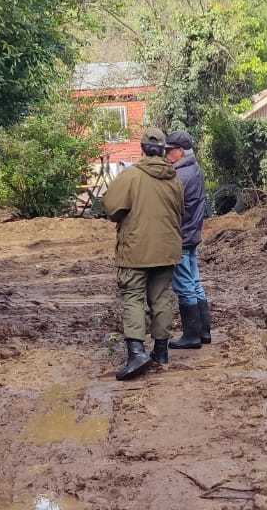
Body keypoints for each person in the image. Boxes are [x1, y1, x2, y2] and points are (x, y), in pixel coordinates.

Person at [102, 127, 184, 380]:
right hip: (167, 248)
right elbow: (181, 211)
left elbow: (111, 207)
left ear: (142, 149)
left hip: (136, 250)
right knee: (161, 298)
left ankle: (136, 351)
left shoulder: (131, 177)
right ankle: (161, 351)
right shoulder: (175, 179)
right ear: (163, 150)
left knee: (133, 298)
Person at [165, 131, 211, 349]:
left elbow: (172, 208)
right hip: (192, 234)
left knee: (184, 285)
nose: (166, 155)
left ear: (180, 151)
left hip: (182, 236)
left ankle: (191, 335)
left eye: (169, 151)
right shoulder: (195, 170)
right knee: (194, 282)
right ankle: (204, 331)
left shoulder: (181, 176)